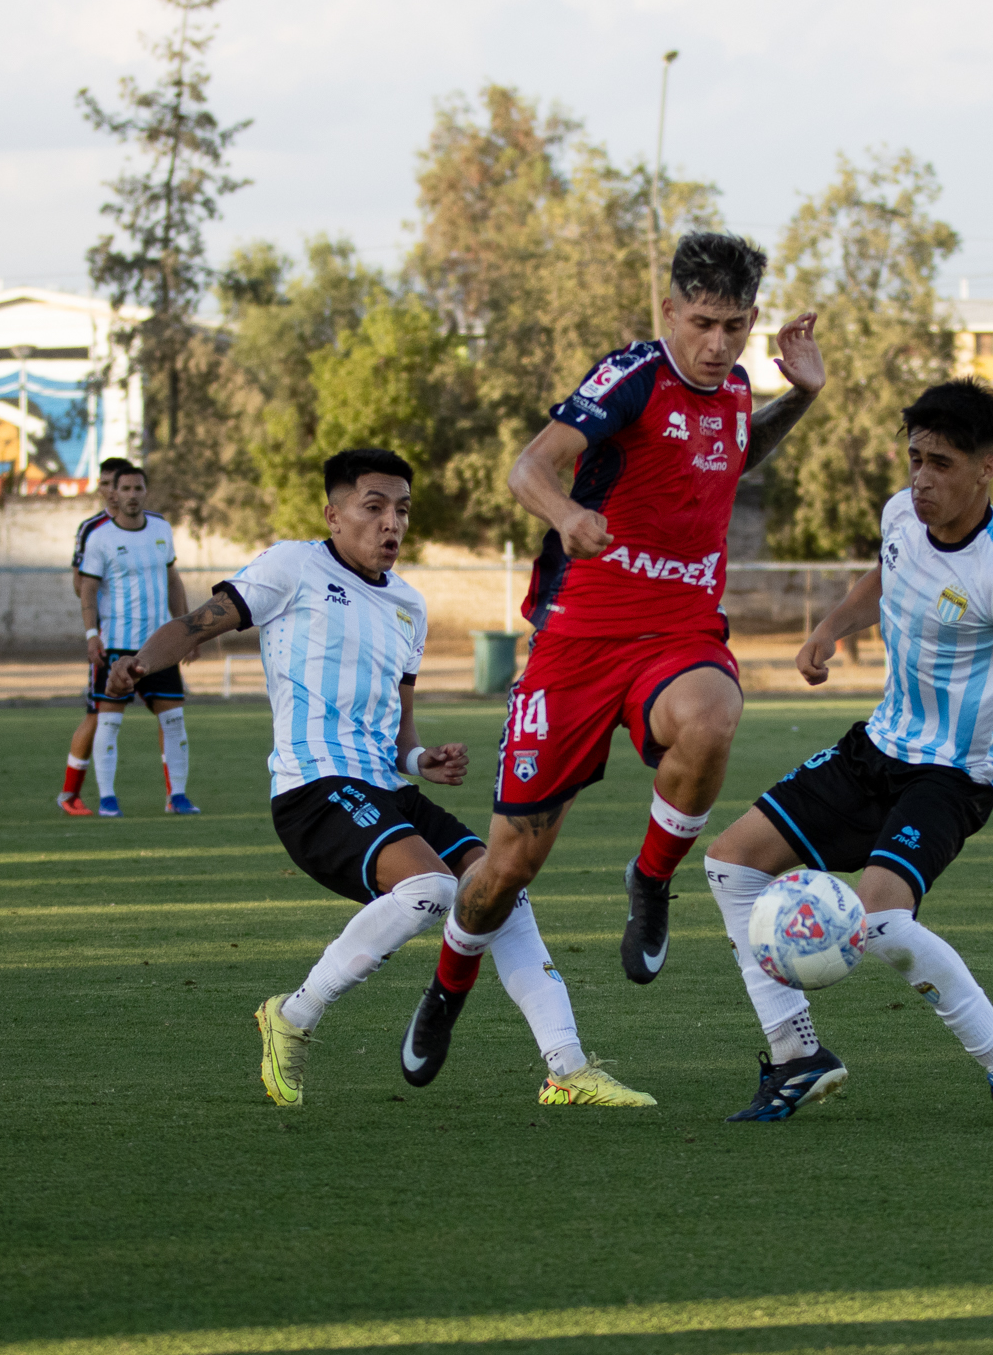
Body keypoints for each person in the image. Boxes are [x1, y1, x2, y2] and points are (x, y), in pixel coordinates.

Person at [398, 231, 827, 1088]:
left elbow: (733, 455)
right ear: (668, 310)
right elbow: (529, 467)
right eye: (702, 322)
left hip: (681, 633)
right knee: (507, 866)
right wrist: (565, 515)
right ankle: (449, 982)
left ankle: (652, 875)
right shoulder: (631, 376)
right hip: (577, 646)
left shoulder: (736, 388)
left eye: (735, 326)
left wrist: (800, 397)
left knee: (713, 717)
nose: (718, 344)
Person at [107, 447, 654, 1108]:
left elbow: (400, 736)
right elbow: (195, 624)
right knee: (429, 888)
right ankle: (293, 1014)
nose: (390, 523)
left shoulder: (409, 607)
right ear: (334, 514)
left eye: (401, 510)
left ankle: (566, 1068)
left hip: (386, 789)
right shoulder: (292, 566)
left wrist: (423, 762)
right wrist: (138, 665)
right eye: (373, 508)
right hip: (312, 790)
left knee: (500, 884)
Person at [702, 380, 993, 1125]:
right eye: (915, 458)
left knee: (882, 921)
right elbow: (888, 572)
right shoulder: (902, 510)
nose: (923, 478)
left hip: (954, 774)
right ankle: (796, 1055)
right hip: (875, 747)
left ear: (987, 467)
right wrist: (831, 627)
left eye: (943, 464)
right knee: (729, 862)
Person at [79, 463, 198, 815]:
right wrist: (91, 634)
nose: (132, 495)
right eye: (125, 489)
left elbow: (173, 580)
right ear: (113, 493)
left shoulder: (161, 528)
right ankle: (107, 799)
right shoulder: (100, 537)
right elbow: (87, 589)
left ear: (145, 491)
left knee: (174, 720)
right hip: (116, 645)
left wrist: (188, 631)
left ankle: (177, 797)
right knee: (109, 721)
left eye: (138, 489)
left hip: (158, 646)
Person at [58, 457, 136, 815]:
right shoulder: (92, 529)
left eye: (114, 483)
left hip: (143, 635)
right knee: (96, 714)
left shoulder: (148, 527)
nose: (110, 491)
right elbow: (81, 584)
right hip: (110, 636)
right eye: (103, 484)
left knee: (171, 713)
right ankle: (70, 794)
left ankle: (176, 796)